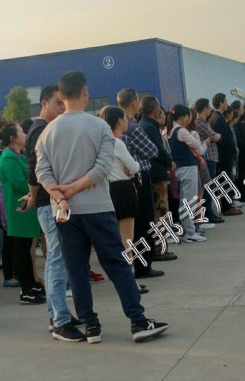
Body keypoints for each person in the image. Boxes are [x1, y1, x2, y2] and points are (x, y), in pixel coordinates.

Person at [36, 71, 168, 343]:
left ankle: (91, 326)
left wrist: (61, 195)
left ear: (60, 95)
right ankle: (138, 321)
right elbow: (102, 168)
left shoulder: (47, 132)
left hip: (65, 213)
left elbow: (42, 172)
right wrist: (76, 188)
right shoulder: (99, 127)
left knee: (77, 270)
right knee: (117, 265)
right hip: (96, 207)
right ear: (85, 91)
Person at [25, 85, 84, 339]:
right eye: (57, 103)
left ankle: (57, 314)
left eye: (63, 103)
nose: (62, 107)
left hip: (50, 201)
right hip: (50, 203)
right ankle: (60, 320)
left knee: (56, 259)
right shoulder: (41, 130)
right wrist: (34, 196)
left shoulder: (45, 128)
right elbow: (34, 170)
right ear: (43, 104)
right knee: (58, 259)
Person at [100, 106, 148, 295]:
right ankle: (130, 282)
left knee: (117, 240)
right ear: (119, 120)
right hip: (123, 190)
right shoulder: (117, 142)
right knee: (127, 241)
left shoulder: (101, 141)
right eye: (125, 118)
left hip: (108, 190)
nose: (127, 121)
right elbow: (134, 167)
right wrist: (130, 168)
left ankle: (126, 280)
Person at [116, 88, 164, 279]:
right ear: (134, 103)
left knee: (131, 228)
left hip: (123, 179)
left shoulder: (113, 127)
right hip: (140, 176)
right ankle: (144, 265)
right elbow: (152, 151)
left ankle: (136, 264)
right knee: (144, 223)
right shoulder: (133, 127)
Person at [0, 122, 44, 305]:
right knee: (21, 250)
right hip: (18, 208)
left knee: (26, 249)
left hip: (27, 206)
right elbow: (20, 183)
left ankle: (31, 285)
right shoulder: (8, 158)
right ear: (12, 138)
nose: (25, 134)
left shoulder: (21, 155)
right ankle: (26, 290)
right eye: (21, 132)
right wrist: (35, 185)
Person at [138, 96, 176, 262]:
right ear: (154, 109)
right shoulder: (149, 127)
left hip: (151, 175)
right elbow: (158, 151)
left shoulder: (143, 125)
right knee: (160, 213)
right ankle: (159, 250)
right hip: (156, 176)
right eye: (159, 108)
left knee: (157, 213)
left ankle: (157, 248)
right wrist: (169, 162)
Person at [167, 105, 206, 242]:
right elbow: (198, 147)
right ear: (184, 117)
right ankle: (190, 232)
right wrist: (195, 136)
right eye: (189, 116)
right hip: (188, 169)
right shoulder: (182, 131)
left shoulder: (169, 130)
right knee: (189, 201)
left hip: (178, 169)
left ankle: (187, 230)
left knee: (183, 201)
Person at [210, 93, 242, 216]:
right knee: (225, 181)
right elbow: (225, 139)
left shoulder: (216, 117)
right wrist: (233, 149)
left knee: (225, 180)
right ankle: (227, 207)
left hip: (222, 154)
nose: (227, 103)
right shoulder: (218, 118)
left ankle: (227, 205)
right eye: (226, 101)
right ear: (221, 103)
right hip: (223, 155)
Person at [194, 98, 224, 224]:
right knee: (208, 187)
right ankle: (208, 214)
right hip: (207, 157)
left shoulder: (204, 122)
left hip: (211, 157)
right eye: (209, 108)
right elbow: (214, 136)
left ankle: (209, 213)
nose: (210, 110)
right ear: (205, 109)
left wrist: (217, 136)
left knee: (209, 186)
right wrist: (217, 135)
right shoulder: (199, 122)